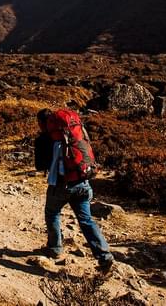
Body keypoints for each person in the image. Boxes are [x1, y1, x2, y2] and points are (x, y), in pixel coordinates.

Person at [34, 108, 114, 270]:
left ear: (43, 123)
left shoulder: (44, 139)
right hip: (83, 182)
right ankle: (104, 256)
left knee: (52, 213)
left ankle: (55, 248)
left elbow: (40, 166)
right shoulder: (75, 134)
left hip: (61, 185)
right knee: (86, 220)